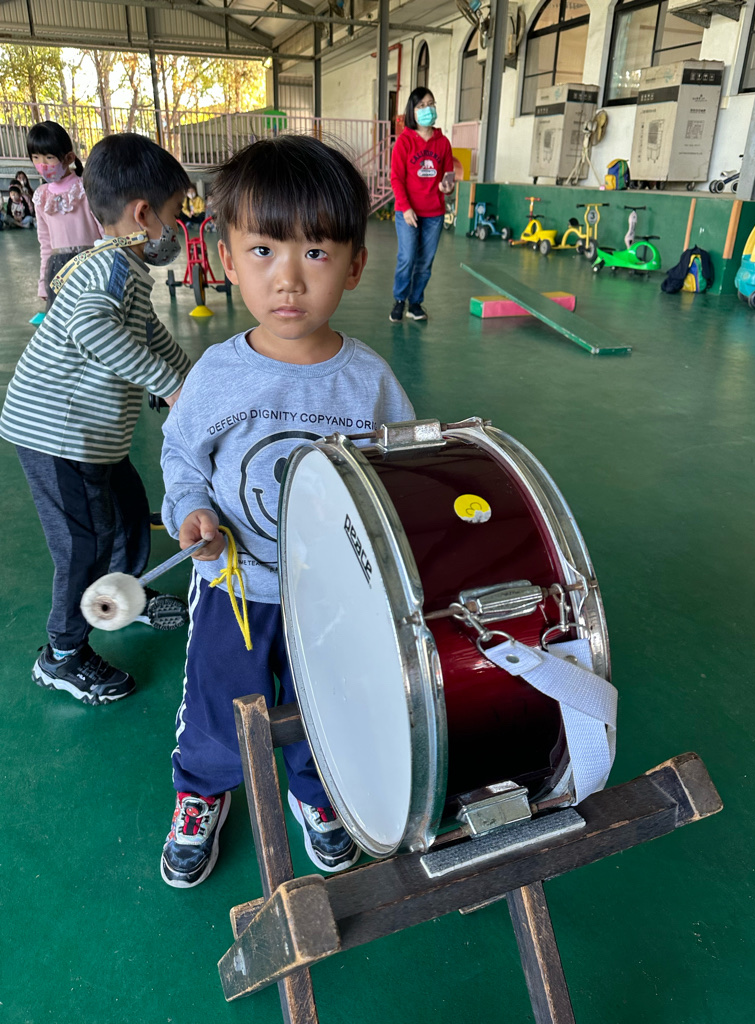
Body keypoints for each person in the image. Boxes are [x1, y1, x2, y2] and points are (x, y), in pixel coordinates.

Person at [159, 134, 415, 888]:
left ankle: (314, 790)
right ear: (227, 260)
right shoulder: (217, 374)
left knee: (325, 702)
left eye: (316, 252)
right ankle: (202, 792)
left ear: (355, 265)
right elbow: (182, 458)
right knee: (219, 704)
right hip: (234, 589)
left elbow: (399, 474)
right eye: (264, 250)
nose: (289, 279)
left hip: (333, 595)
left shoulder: (369, 382)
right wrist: (192, 510)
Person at [0, 133, 193, 707]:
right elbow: (89, 327)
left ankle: (123, 595)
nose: (177, 227)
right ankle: (62, 654)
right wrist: (168, 386)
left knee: (128, 511)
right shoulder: (109, 269)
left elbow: (150, 335)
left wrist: (195, 382)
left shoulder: (123, 268)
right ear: (144, 214)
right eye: (175, 213)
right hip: (56, 435)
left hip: (92, 437)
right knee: (82, 543)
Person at [389, 87, 455, 323]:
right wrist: (405, 207)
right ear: (413, 111)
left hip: (434, 213)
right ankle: (400, 300)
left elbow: (448, 176)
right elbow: (396, 178)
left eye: (431, 104)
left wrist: (447, 187)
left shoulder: (443, 143)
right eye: (421, 106)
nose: (428, 109)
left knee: (425, 262)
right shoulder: (404, 142)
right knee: (407, 258)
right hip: (408, 212)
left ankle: (415, 303)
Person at [27, 121, 102, 310]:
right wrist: (43, 282)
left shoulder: (85, 188)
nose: (42, 164)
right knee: (63, 320)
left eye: (49, 157)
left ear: (68, 158)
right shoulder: (41, 196)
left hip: (90, 264)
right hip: (58, 271)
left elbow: (103, 229)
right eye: (36, 157)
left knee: (92, 315)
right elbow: (45, 243)